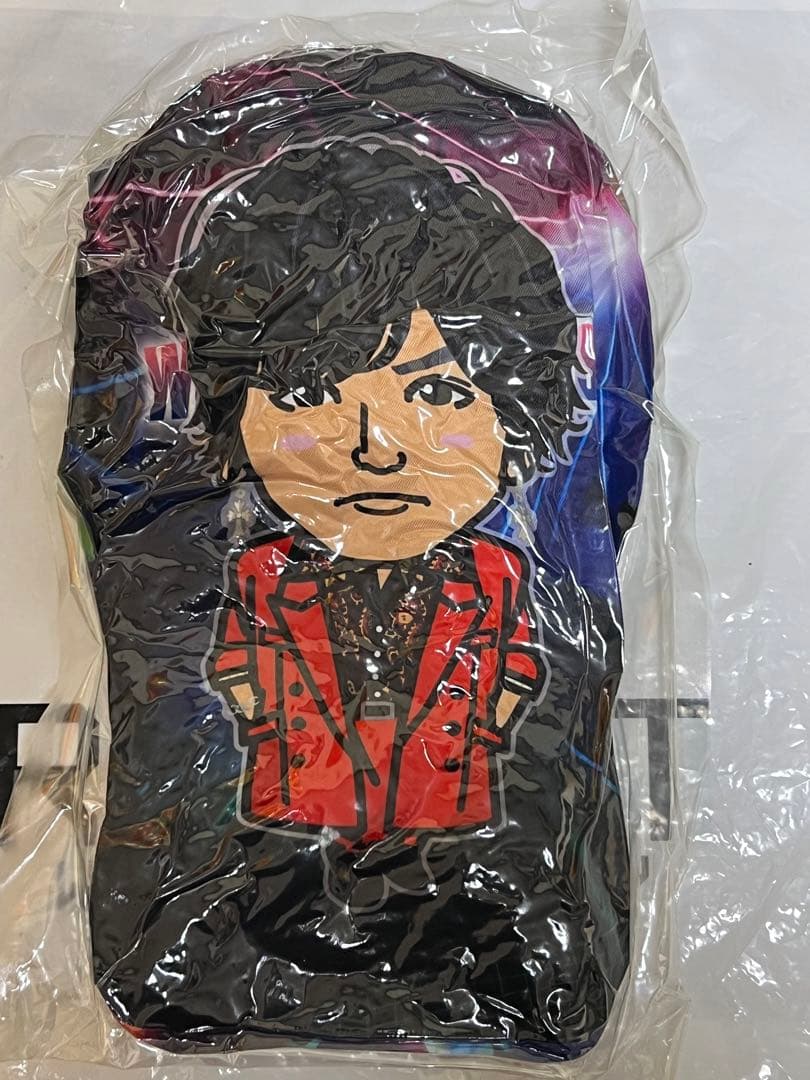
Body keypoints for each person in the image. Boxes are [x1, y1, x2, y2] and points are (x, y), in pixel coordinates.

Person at [175, 138, 592, 850]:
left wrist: (479, 732)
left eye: (434, 394)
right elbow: (235, 665)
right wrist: (274, 723)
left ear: (518, 410)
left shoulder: (498, 574)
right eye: (311, 395)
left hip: (452, 805)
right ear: (235, 412)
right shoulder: (260, 571)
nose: (377, 449)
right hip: (293, 802)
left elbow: (518, 667)